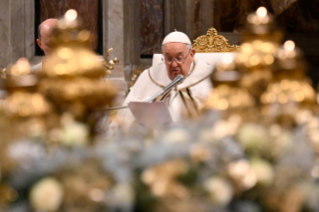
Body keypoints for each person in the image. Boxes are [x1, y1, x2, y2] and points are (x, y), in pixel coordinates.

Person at [111, 31, 214, 131]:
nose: (174, 65)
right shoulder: (150, 76)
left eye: (179, 58)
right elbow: (125, 116)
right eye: (168, 59)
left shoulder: (210, 78)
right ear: (163, 56)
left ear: (191, 55)